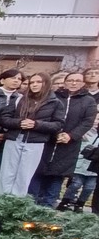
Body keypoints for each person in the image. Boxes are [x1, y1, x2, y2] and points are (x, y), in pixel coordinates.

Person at [29, 71, 97, 207]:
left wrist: (70, 135)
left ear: (83, 83)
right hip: (48, 139)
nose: (73, 83)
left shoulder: (88, 100)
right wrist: (55, 132)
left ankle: (48, 206)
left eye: (77, 81)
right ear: (65, 82)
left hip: (69, 144)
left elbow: (87, 121)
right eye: (70, 80)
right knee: (38, 171)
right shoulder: (54, 97)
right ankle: (31, 203)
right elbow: (47, 116)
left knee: (57, 176)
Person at [0, 72, 64, 196]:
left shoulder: (55, 103)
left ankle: (17, 204)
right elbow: (4, 118)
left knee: (24, 175)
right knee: (6, 173)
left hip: (35, 142)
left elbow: (58, 125)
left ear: (46, 83)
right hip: (14, 139)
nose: (34, 85)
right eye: (32, 82)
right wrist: (19, 123)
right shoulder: (19, 99)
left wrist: (36, 124)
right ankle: (1, 200)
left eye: (38, 82)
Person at [60, 118, 99, 212]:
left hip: (93, 168)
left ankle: (80, 204)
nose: (96, 121)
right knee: (75, 184)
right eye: (96, 118)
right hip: (80, 164)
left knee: (89, 187)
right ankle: (65, 201)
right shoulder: (84, 132)